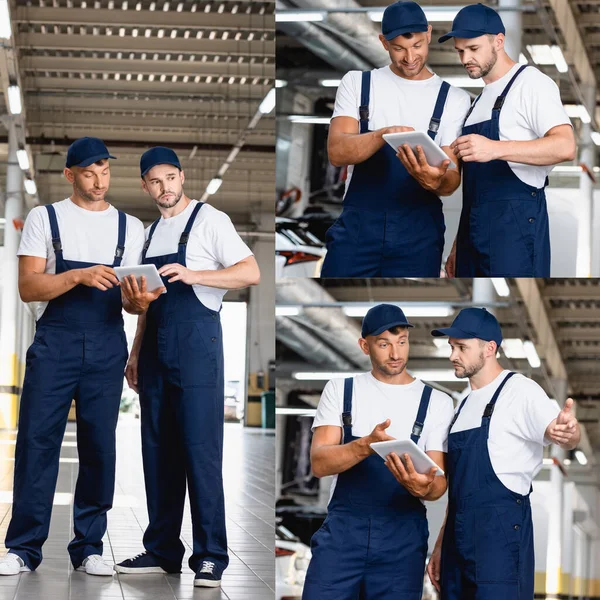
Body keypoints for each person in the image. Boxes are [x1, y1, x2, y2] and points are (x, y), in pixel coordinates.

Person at [0, 137, 147, 576]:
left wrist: (139, 303)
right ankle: (23, 548)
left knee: (99, 448)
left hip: (106, 343)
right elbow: (29, 287)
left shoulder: (130, 228)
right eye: (89, 172)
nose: (99, 180)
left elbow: (133, 303)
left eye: (104, 171)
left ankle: (89, 548)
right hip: (55, 344)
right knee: (36, 442)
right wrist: (78, 275)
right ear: (70, 175)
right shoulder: (45, 219)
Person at [116, 147, 260, 588]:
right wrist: (137, 350)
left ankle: (211, 555)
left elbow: (250, 271)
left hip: (198, 347)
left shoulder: (209, 219)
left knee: (200, 452)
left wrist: (197, 275)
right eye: (155, 181)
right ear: (146, 186)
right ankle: (162, 550)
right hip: (156, 349)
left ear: (181, 177)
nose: (165, 188)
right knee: (157, 453)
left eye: (170, 178)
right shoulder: (147, 234)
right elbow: (142, 302)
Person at [302, 304, 454, 599]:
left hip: (402, 540)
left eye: (402, 342)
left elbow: (438, 485)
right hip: (343, 535)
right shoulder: (340, 390)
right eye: (384, 344)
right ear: (364, 345)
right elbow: (320, 463)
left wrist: (423, 488)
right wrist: (365, 444)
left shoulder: (436, 401)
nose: (396, 354)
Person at [427, 308, 581, 599]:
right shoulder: (462, 404)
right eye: (451, 347)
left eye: (461, 347)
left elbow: (561, 433)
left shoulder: (520, 391)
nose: (452, 356)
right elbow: (457, 492)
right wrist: (440, 543)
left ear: (489, 348)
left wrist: (567, 432)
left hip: (499, 539)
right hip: (456, 542)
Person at [320, 0, 471, 278]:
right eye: (399, 48)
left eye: (417, 46)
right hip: (358, 229)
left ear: (428, 33)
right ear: (383, 42)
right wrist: (381, 134)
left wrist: (435, 179)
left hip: (418, 233)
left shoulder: (455, 99)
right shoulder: (357, 83)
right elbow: (338, 151)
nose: (409, 57)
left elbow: (452, 181)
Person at [439, 4, 576, 277]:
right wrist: (458, 244)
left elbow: (566, 146)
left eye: (474, 49)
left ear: (498, 41)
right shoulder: (477, 102)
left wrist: (494, 149)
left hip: (514, 232)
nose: (465, 58)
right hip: (473, 233)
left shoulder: (531, 83)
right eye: (460, 51)